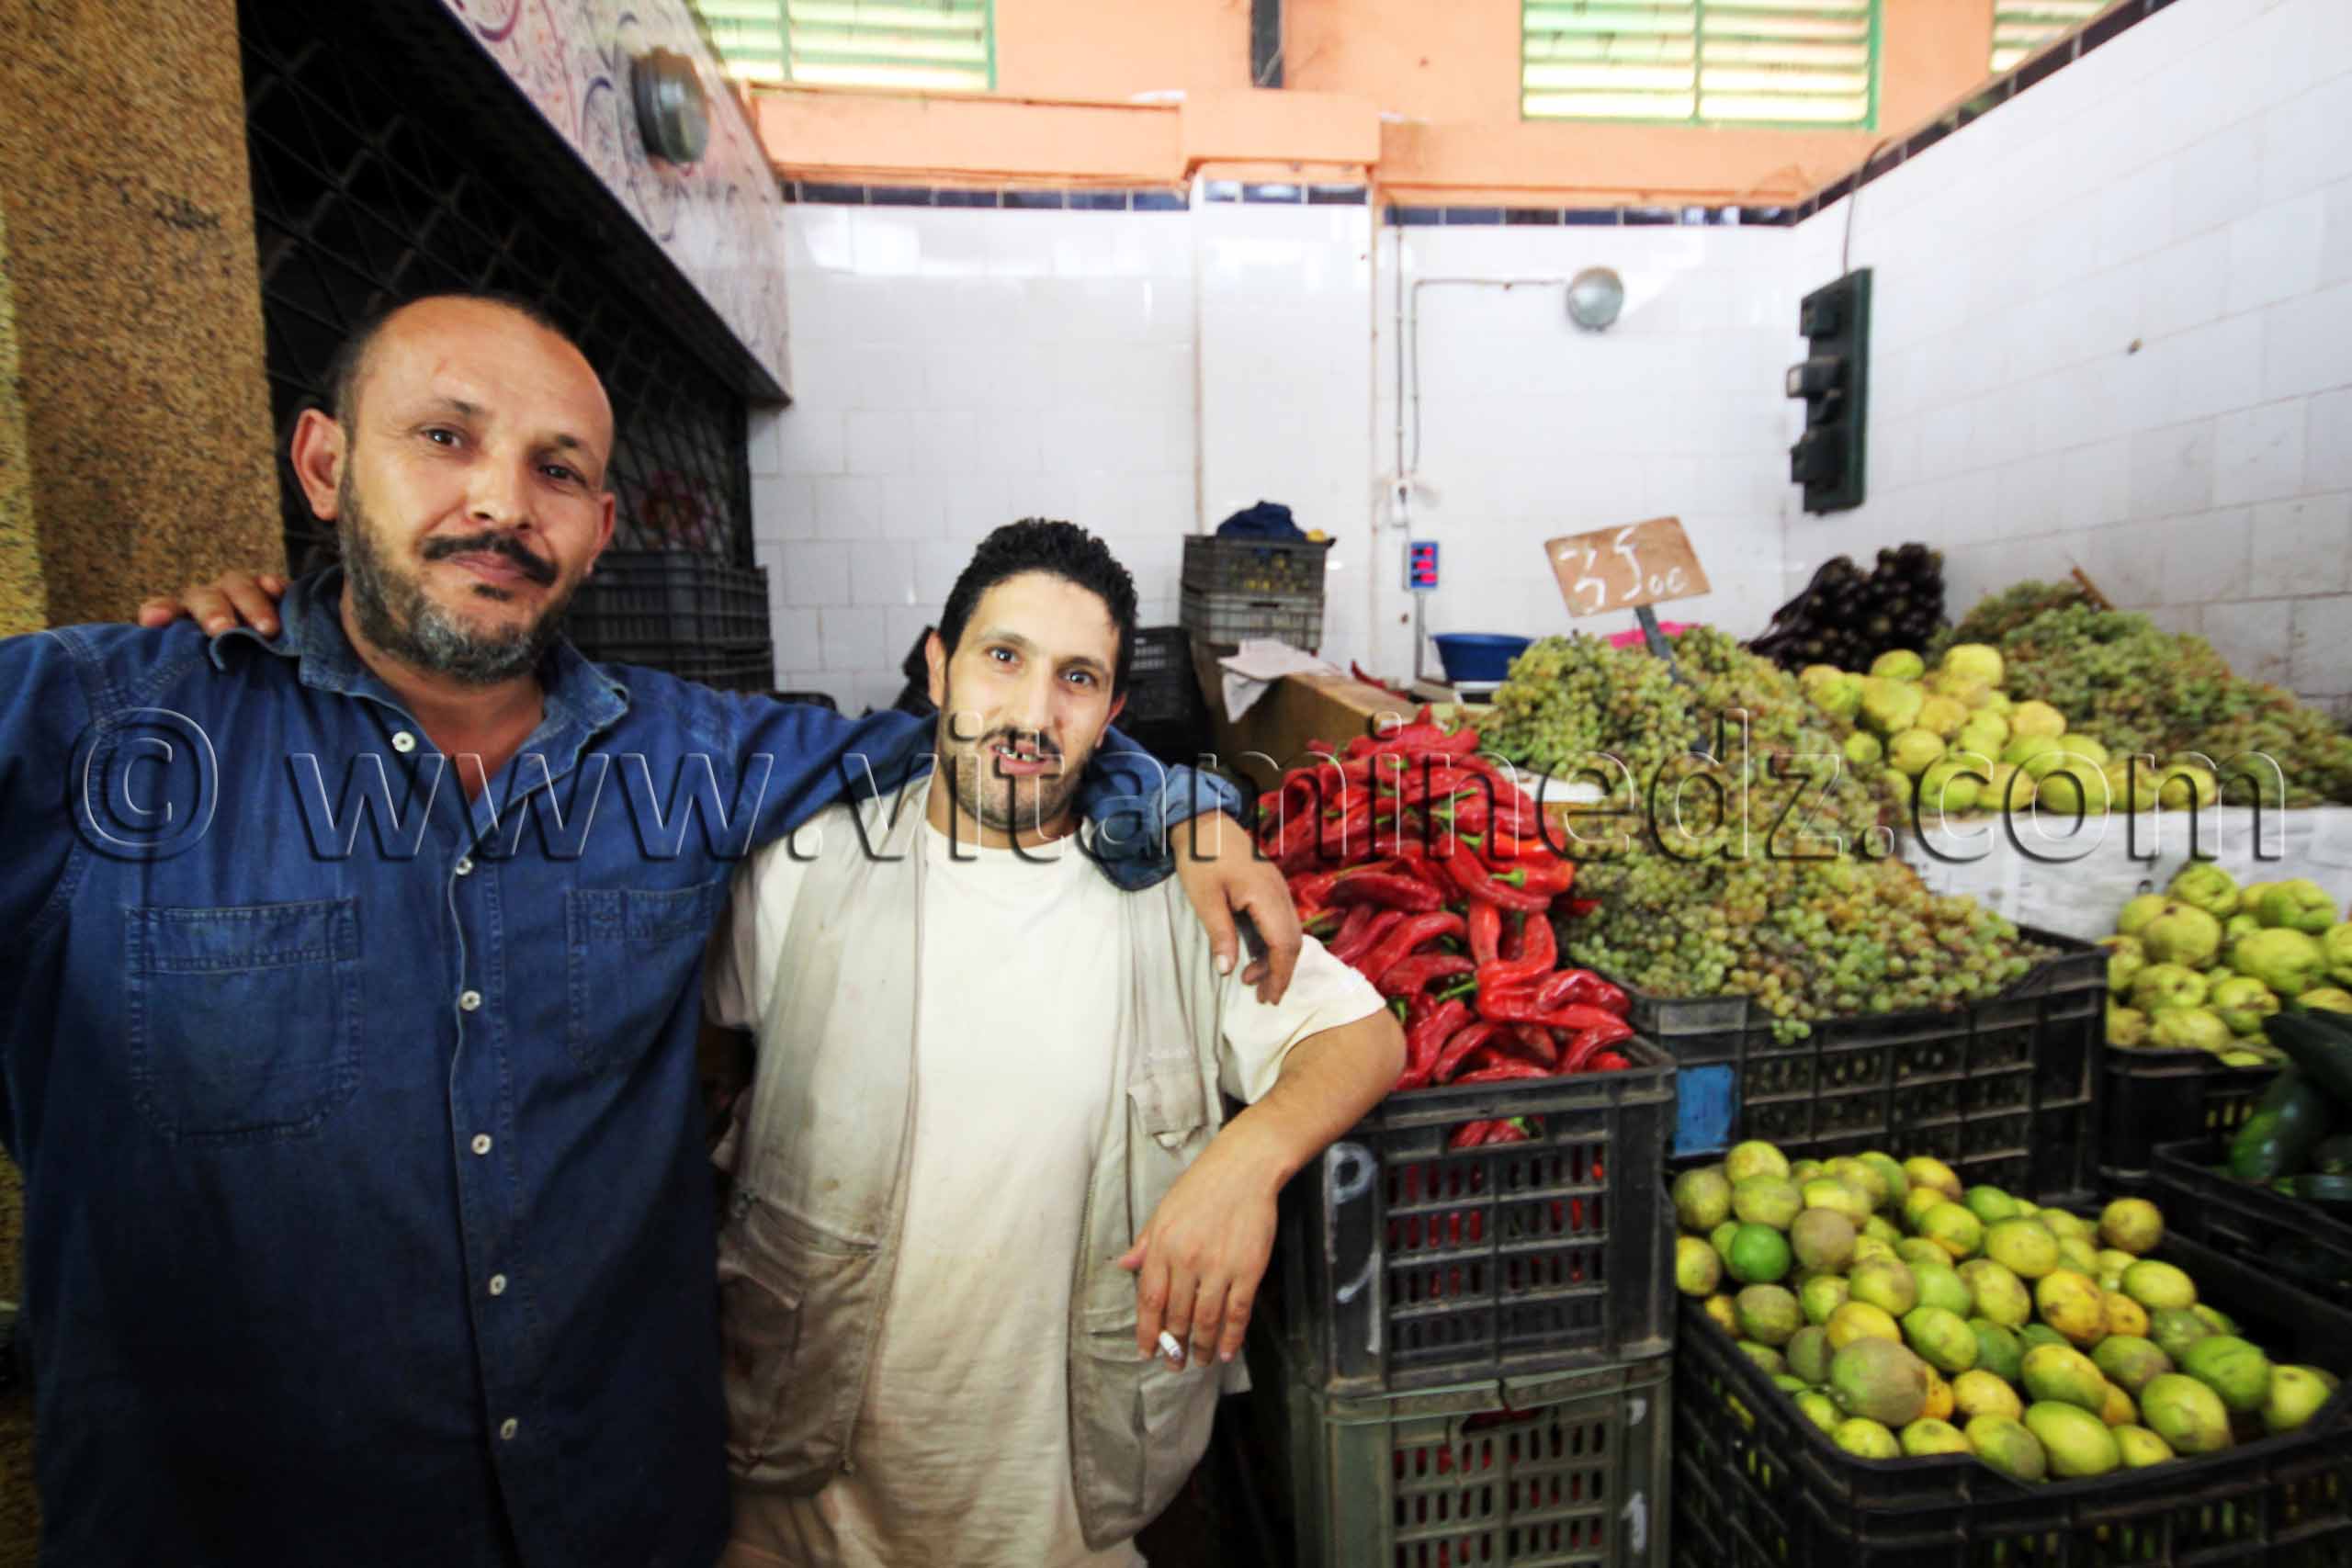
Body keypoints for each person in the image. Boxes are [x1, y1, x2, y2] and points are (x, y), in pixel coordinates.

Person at [0, 291, 1298, 1566]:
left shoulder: (692, 764)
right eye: (445, 437)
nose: (502, 501)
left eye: (556, 469)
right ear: (326, 465)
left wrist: (1180, 803)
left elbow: (984, 747)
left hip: (617, 1513)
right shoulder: (91, 734)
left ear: (602, 526)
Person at [705, 520, 1404, 1568]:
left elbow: (1363, 1037)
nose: (1034, 714)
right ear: (938, 667)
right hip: (795, 1514)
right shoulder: (806, 868)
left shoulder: (1179, 898)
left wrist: (1246, 1162)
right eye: (1003, 657)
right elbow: (685, 1058)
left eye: (1077, 678)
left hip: (1066, 1521)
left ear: (1113, 713)